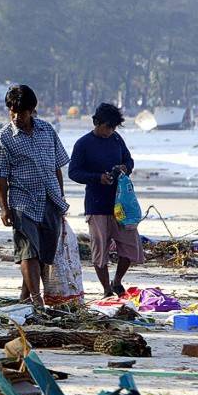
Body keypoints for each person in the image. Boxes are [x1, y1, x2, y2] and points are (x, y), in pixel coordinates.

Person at [0, 85, 69, 308]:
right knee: (28, 250)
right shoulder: (3, 139)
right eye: (12, 112)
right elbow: (1, 178)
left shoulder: (47, 131)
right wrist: (4, 208)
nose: (16, 117)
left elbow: (56, 168)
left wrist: (61, 199)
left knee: (44, 254)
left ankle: (25, 297)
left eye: (21, 112)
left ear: (32, 110)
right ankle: (37, 299)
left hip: (50, 199)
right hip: (22, 201)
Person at [68, 103, 144, 297]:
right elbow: (74, 172)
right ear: (96, 123)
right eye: (108, 127)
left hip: (121, 204)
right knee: (100, 251)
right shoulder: (83, 144)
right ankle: (106, 289)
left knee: (130, 246)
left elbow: (129, 161)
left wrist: (125, 168)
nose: (110, 131)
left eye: (114, 127)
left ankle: (117, 281)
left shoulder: (117, 139)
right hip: (96, 205)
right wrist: (97, 177)